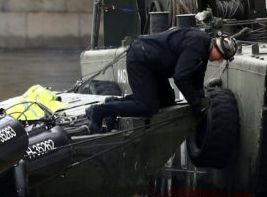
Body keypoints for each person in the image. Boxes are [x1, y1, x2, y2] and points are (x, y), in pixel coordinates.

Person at [86, 28, 238, 133]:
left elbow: (197, 77)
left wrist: (201, 99)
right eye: (221, 57)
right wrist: (195, 103)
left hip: (156, 65)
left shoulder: (204, 47)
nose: (219, 61)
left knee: (167, 101)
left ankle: (112, 103)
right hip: (141, 59)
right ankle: (99, 111)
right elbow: (181, 77)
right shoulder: (197, 46)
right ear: (217, 48)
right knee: (146, 107)